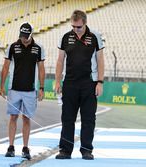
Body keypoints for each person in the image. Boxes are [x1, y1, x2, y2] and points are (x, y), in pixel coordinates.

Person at [55, 10, 104, 160]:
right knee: (67, 118)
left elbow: (100, 60)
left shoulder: (95, 37)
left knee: (88, 118)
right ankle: (65, 150)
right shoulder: (65, 37)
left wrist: (100, 82)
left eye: (78, 27)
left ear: (85, 23)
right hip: (69, 83)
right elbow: (60, 60)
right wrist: (57, 81)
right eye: (73, 27)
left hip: (89, 83)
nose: (75, 29)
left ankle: (86, 150)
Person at [0, 22, 45, 160]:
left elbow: (41, 69)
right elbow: (6, 67)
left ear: (31, 34)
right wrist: (1, 85)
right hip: (14, 89)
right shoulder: (12, 46)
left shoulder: (38, 48)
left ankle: (25, 148)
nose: (23, 38)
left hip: (30, 90)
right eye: (22, 35)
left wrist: (42, 88)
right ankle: (11, 146)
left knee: (26, 118)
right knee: (13, 117)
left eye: (26, 36)